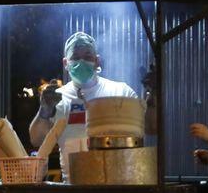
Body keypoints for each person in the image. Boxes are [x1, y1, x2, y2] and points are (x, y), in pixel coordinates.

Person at [29, 31, 138, 178]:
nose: (81, 62)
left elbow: (140, 133)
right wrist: (44, 110)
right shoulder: (57, 98)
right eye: (75, 57)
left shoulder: (120, 91)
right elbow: (37, 140)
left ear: (97, 61)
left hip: (116, 184)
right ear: (66, 63)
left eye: (87, 57)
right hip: (73, 189)